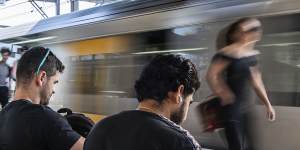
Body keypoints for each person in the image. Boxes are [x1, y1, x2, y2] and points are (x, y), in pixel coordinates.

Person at [84, 54, 201, 150]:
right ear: (179, 93)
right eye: (189, 102)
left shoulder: (100, 128)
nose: (186, 111)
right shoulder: (178, 142)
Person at [206, 18, 276, 150]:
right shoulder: (227, 53)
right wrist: (222, 92)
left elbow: (257, 82)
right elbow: (211, 75)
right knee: (236, 146)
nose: (253, 33)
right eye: (248, 30)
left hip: (246, 108)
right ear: (237, 33)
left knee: (252, 146)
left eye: (255, 30)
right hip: (230, 109)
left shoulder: (252, 56)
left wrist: (268, 104)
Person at [0, 46, 84, 150]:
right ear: (42, 77)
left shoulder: (3, 115)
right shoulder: (47, 119)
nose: (54, 90)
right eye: (54, 82)